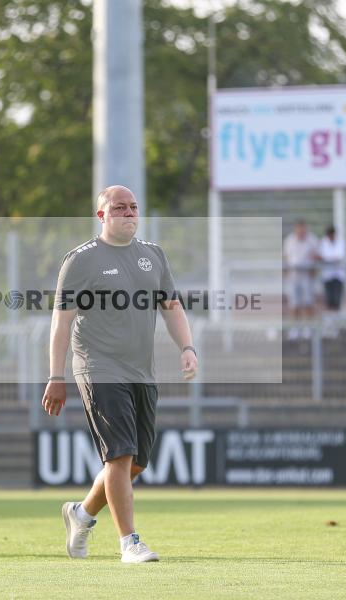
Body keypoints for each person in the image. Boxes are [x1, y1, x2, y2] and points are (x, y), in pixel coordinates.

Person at [42, 185, 198, 564]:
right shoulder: (80, 260)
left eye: (133, 207)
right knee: (120, 454)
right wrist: (55, 375)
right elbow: (60, 322)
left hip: (141, 370)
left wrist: (187, 347)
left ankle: (81, 514)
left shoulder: (153, 255)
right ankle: (130, 542)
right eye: (119, 208)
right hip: (98, 366)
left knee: (137, 462)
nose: (128, 213)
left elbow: (171, 306)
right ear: (101, 215)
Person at [283, 219, 320, 336]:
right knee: (294, 304)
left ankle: (308, 329)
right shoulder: (289, 240)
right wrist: (285, 272)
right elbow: (285, 257)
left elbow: (317, 256)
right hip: (293, 276)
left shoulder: (312, 240)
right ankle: (295, 329)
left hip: (307, 276)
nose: (301, 232)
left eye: (303, 230)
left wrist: (314, 269)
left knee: (308, 303)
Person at [319, 225, 346, 313]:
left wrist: (327, 259)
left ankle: (337, 323)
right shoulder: (323, 243)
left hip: (338, 276)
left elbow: (338, 257)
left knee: (337, 301)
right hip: (327, 276)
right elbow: (321, 257)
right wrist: (329, 259)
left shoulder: (340, 243)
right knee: (328, 301)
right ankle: (329, 323)